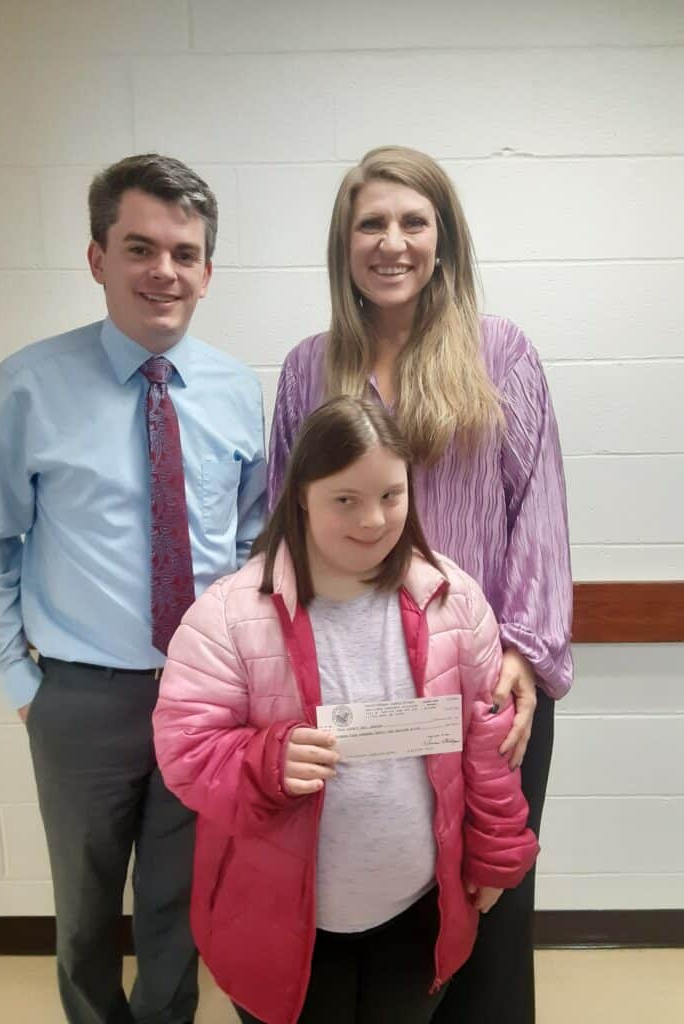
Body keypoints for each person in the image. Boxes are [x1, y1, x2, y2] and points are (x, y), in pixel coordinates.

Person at [0, 154, 267, 1024]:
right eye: (139, 247)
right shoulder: (30, 384)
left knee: (179, 905)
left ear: (207, 270)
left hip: (202, 698)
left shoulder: (240, 392)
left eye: (184, 252)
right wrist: (23, 687)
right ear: (98, 259)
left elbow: (253, 542)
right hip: (79, 697)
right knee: (85, 910)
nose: (163, 270)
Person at [267, 146, 573, 1024]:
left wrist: (526, 651)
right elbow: (281, 526)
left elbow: (537, 510)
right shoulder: (307, 370)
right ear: (345, 243)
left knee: (490, 892)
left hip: (485, 682)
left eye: (413, 222)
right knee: (380, 898)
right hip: (355, 684)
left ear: (443, 241)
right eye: (372, 223)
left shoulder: (499, 353)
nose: (391, 242)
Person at [153, 397, 540, 1024]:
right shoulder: (227, 616)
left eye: (391, 495)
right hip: (281, 920)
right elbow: (186, 750)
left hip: (417, 910)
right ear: (301, 495)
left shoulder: (454, 599)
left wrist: (495, 854)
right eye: (345, 499)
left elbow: (486, 740)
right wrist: (268, 758)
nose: (374, 519)